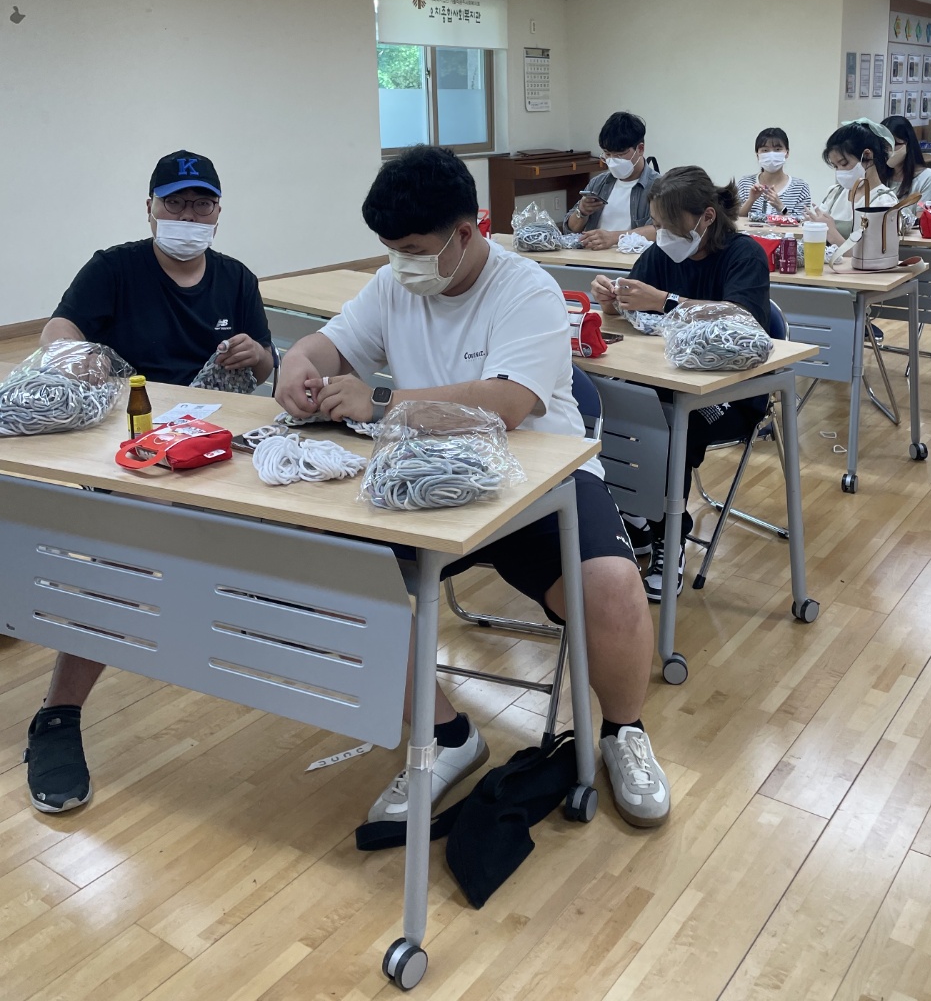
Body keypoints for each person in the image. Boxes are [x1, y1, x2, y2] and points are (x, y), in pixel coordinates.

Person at [276, 146, 670, 829]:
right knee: (342, 576)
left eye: (411, 249)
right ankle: (448, 735)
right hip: (425, 480)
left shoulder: (527, 289)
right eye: (390, 249)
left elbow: (508, 403)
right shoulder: (394, 285)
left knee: (612, 585)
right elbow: (329, 344)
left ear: (466, 232)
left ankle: (623, 732)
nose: (399, 262)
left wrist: (380, 400)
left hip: (538, 483)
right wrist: (297, 361)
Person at [23, 150, 274, 815]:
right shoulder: (115, 268)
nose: (189, 215)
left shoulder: (236, 279)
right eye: (176, 202)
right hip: (134, 443)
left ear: (217, 212)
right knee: (121, 565)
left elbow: (265, 368)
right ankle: (58, 714)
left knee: (293, 536)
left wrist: (257, 355)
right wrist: (77, 358)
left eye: (201, 204)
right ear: (151, 208)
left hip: (214, 444)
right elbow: (58, 330)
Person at [589, 166, 771, 599]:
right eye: (657, 225)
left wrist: (665, 301)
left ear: (706, 217)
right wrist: (612, 301)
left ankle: (668, 536)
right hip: (670, 382)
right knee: (608, 408)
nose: (662, 235)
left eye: (670, 226)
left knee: (669, 429)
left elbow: (743, 319)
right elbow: (635, 305)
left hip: (733, 392)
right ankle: (638, 516)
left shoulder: (744, 255)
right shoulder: (660, 254)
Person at [564, 111, 658, 250]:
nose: (613, 161)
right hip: (591, 258)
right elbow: (570, 230)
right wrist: (581, 211)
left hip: (631, 260)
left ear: (640, 149)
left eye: (620, 154)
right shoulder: (598, 183)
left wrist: (614, 237)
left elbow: (661, 231)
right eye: (607, 154)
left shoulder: (659, 187)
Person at [805, 119, 900, 246]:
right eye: (835, 166)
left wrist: (832, 234)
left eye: (844, 163)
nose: (840, 171)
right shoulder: (835, 193)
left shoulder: (884, 202)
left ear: (867, 156)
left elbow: (872, 254)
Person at [737, 127, 812, 222]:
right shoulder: (745, 183)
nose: (771, 155)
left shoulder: (800, 187)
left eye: (777, 149)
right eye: (765, 150)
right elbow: (735, 219)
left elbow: (802, 223)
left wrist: (781, 208)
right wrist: (750, 200)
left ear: (787, 153)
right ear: (757, 155)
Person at [883, 114, 931, 225]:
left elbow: (923, 223)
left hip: (909, 235)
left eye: (893, 144)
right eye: (883, 145)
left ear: (908, 144)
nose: (887, 150)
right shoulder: (879, 175)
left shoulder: (927, 178)